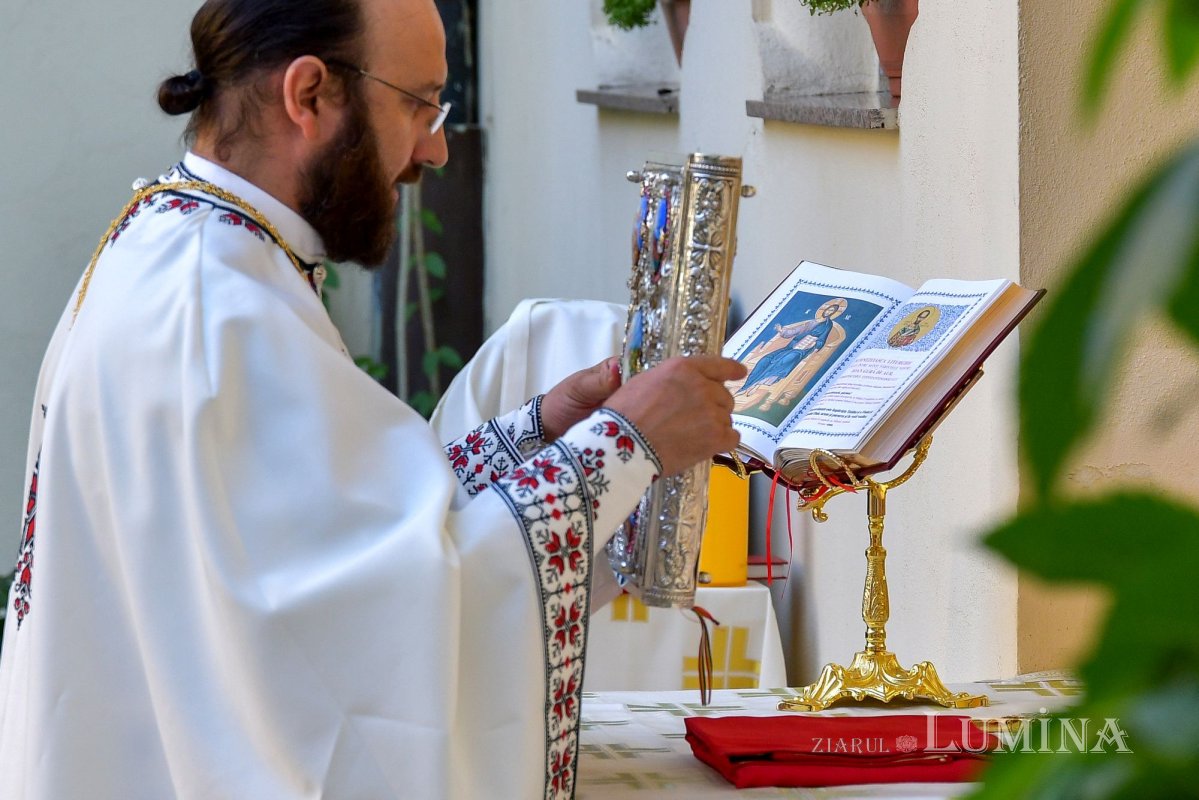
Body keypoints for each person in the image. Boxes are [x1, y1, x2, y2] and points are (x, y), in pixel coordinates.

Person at [0, 1, 745, 798]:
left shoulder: (190, 245)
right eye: (419, 103)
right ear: (310, 94)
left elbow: (337, 539)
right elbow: (368, 633)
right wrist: (624, 444)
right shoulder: (219, 308)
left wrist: (539, 434)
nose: (436, 146)